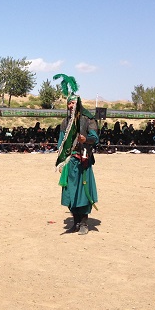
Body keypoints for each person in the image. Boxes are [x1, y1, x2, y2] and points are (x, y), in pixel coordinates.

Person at [53, 74, 99, 235]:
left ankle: (84, 223)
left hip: (83, 161)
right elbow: (61, 143)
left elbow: (95, 138)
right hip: (69, 161)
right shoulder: (65, 122)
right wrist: (60, 162)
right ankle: (76, 223)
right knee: (70, 193)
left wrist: (86, 139)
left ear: (78, 104)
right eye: (69, 103)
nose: (70, 105)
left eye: (73, 103)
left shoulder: (88, 119)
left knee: (83, 193)